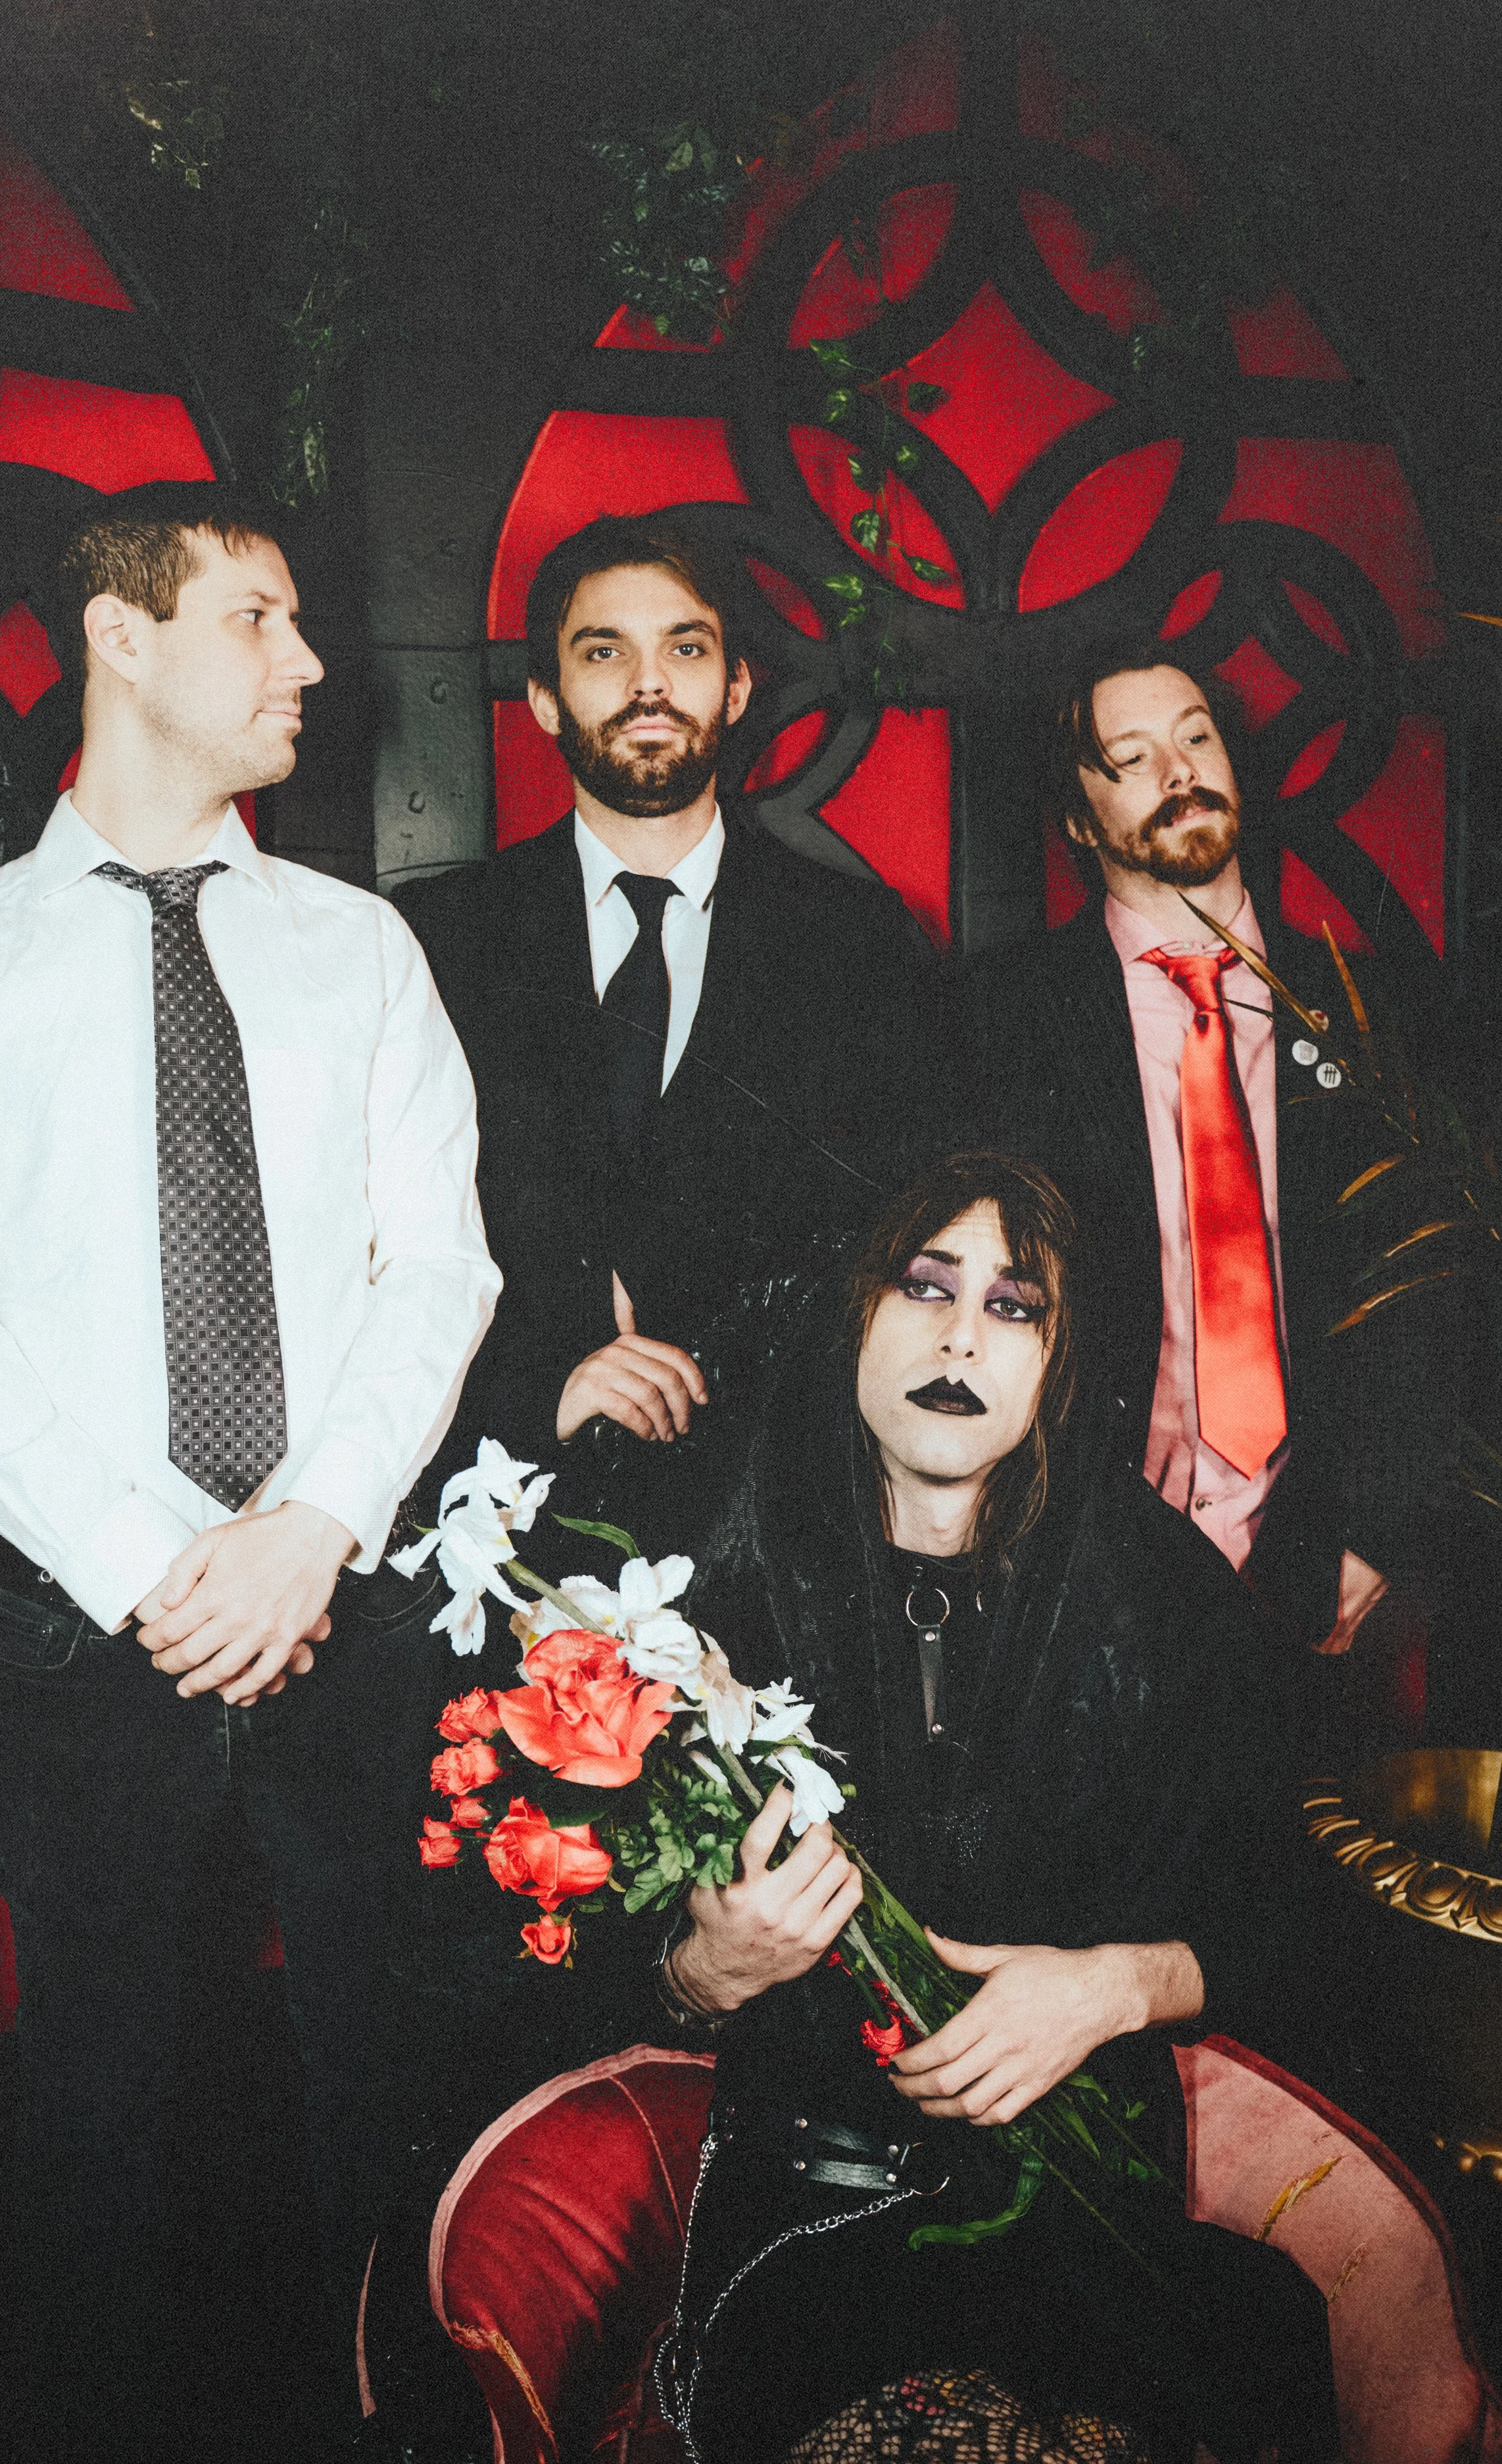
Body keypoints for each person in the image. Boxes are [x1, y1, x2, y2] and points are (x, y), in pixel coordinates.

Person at [0, 487, 500, 2461]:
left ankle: (406, 2416)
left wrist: (307, 1532)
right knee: (98, 2096)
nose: (308, 659)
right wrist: (163, 1562)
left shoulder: (362, 947)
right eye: (258, 616)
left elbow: (442, 1264)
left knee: (381, 2067)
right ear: (122, 641)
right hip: (78, 1625)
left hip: (348, 1599)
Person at [653, 1152, 1337, 2464]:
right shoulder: (712, 1584)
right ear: (851, 1311)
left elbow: (1297, 1919)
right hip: (816, 2223)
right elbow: (529, 1960)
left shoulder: (1161, 1594)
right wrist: (705, 1967)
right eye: (923, 1285)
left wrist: (1111, 1987)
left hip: (1087, 2221)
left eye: (1013, 1305)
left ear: (1060, 1358)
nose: (961, 1333)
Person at [401, 511, 950, 1542]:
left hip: (776, 1519)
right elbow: (371, 1253)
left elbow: (901, 1241)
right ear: (543, 699)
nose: (649, 684)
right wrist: (538, 1397)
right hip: (501, 1522)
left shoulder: (858, 942)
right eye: (604, 652)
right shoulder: (436, 940)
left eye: (685, 649)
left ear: (736, 688)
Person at [961, 647, 1449, 1657]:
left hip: (1317, 1551)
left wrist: (1377, 1531)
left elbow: (1434, 1277)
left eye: (1196, 738)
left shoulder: (1371, 1006)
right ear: (1081, 821)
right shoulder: (997, 1016)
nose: (1180, 772)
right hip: (1082, 1554)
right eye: (1132, 758)